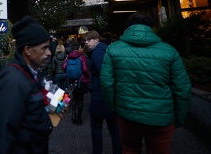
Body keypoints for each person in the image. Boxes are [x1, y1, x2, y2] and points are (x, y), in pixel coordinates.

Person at [100, 12, 192, 154]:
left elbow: (106, 84)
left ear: (128, 27)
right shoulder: (169, 51)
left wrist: (115, 109)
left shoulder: (113, 49)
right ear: (151, 27)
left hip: (127, 114)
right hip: (161, 116)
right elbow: (182, 88)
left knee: (130, 149)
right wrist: (179, 118)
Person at [0, 16, 58, 153]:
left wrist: (53, 113)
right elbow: (2, 138)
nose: (49, 53)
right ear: (27, 50)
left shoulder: (30, 75)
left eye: (48, 48)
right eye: (44, 48)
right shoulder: (13, 81)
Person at [85, 30, 122, 154]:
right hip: (108, 96)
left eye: (89, 40)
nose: (86, 42)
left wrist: (95, 90)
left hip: (101, 96)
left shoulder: (97, 53)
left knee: (96, 128)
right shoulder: (106, 50)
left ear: (96, 39)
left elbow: (104, 75)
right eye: (86, 40)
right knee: (114, 129)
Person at [62, 42, 90, 126]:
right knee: (80, 99)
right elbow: (85, 69)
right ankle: (79, 118)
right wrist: (88, 76)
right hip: (80, 81)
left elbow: (64, 66)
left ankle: (73, 116)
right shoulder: (82, 57)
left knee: (74, 99)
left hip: (71, 80)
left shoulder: (69, 57)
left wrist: (69, 73)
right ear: (78, 48)